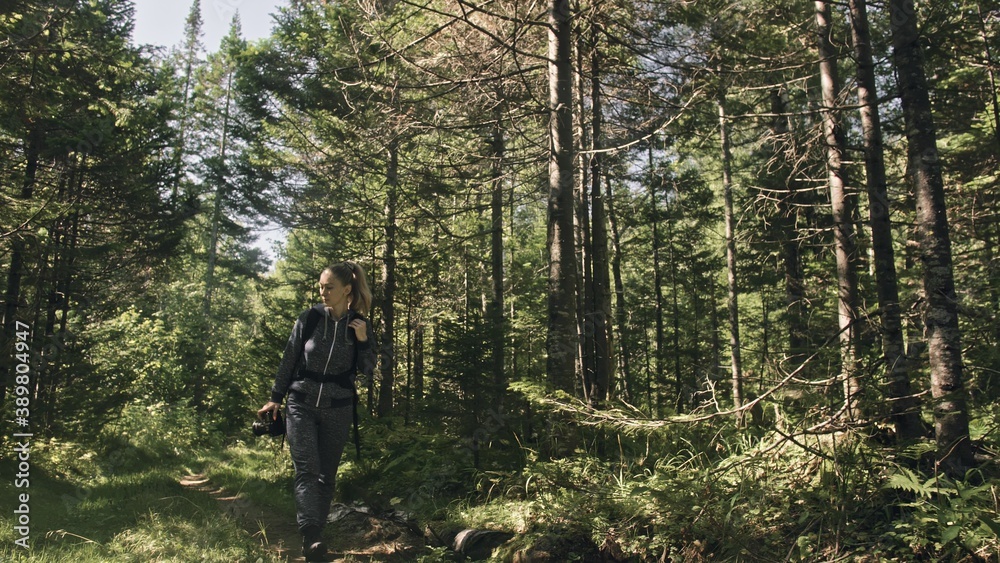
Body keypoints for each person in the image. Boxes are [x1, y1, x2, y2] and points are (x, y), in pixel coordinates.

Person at [258, 261, 376, 561]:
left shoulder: (360, 325)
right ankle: (311, 536)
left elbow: (369, 370)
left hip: (338, 408)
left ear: (346, 290)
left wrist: (362, 342)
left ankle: (316, 536)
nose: (322, 292)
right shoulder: (310, 317)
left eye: (329, 287)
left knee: (327, 477)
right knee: (307, 471)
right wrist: (276, 398)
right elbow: (289, 357)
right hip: (302, 404)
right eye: (320, 286)